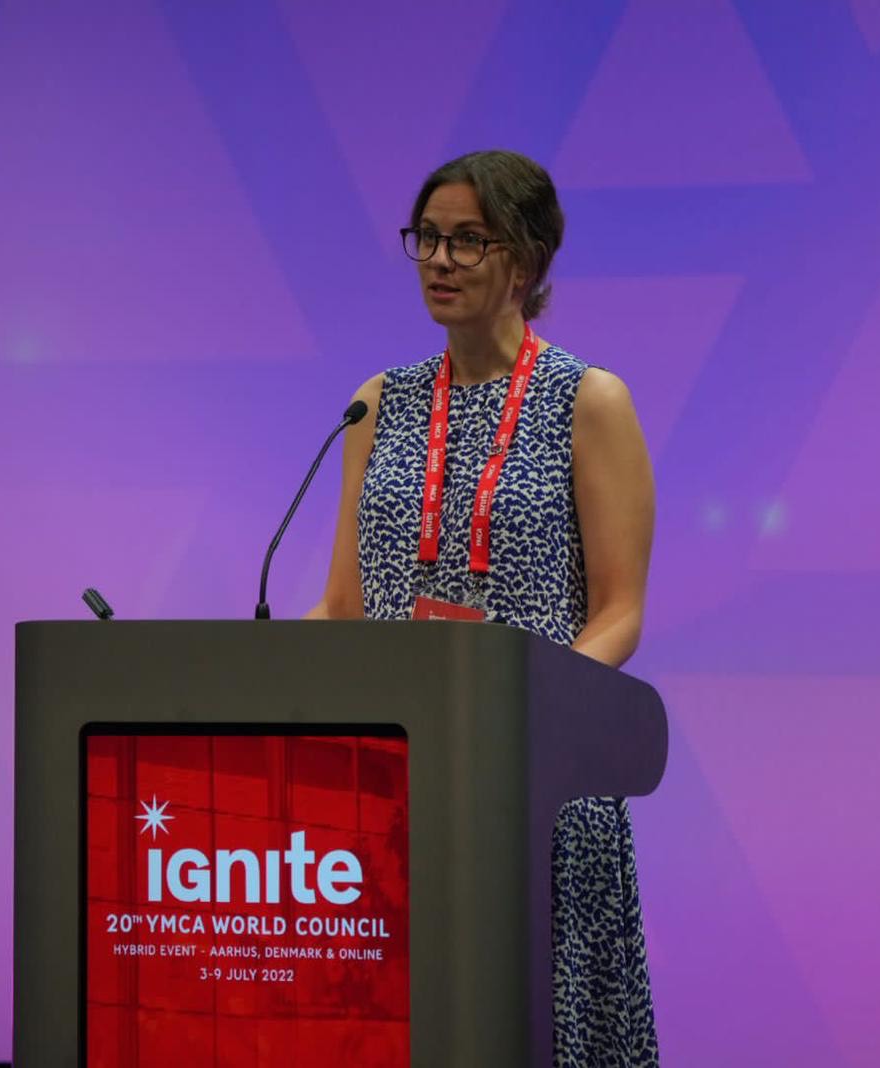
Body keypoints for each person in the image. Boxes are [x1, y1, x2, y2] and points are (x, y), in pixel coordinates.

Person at [306, 149, 659, 1065]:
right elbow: (343, 605)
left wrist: (521, 712)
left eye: (469, 240)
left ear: (527, 261)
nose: (439, 260)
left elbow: (619, 611)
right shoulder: (377, 404)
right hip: (394, 784)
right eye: (427, 237)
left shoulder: (589, 400)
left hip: (535, 783)